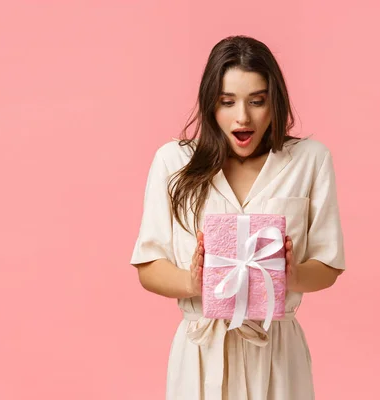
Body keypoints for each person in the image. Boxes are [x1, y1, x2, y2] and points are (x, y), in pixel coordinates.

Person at [130, 35, 346, 400]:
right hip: (202, 352)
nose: (242, 117)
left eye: (257, 102)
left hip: (277, 352)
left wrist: (292, 275)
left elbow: (329, 264)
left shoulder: (310, 160)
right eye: (227, 102)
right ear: (209, 105)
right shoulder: (173, 162)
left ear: (274, 103)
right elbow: (148, 264)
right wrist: (192, 282)